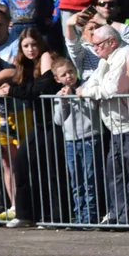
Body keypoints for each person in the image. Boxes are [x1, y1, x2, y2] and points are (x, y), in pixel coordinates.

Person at [76, 26, 129, 226]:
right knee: (114, 174)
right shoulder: (105, 61)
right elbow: (90, 84)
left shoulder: (125, 53)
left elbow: (113, 89)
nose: (94, 49)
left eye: (97, 45)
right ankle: (117, 215)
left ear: (111, 42)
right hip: (113, 126)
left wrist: (88, 92)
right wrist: (89, 90)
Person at [0, 28, 56, 227]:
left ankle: (51, 215)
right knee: (20, 162)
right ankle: (24, 213)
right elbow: (22, 85)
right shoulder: (24, 65)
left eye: (34, 44)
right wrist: (6, 88)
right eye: (26, 46)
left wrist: (12, 90)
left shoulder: (47, 57)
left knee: (47, 169)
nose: (31, 49)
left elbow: (41, 88)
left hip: (53, 122)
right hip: (38, 122)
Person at [52, 57, 102, 225]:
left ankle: (90, 216)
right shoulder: (60, 95)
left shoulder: (85, 88)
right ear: (57, 79)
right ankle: (79, 215)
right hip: (71, 141)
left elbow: (93, 109)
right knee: (76, 181)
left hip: (89, 138)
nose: (68, 76)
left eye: (70, 72)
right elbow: (58, 120)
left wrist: (78, 95)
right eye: (63, 75)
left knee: (89, 179)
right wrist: (64, 102)